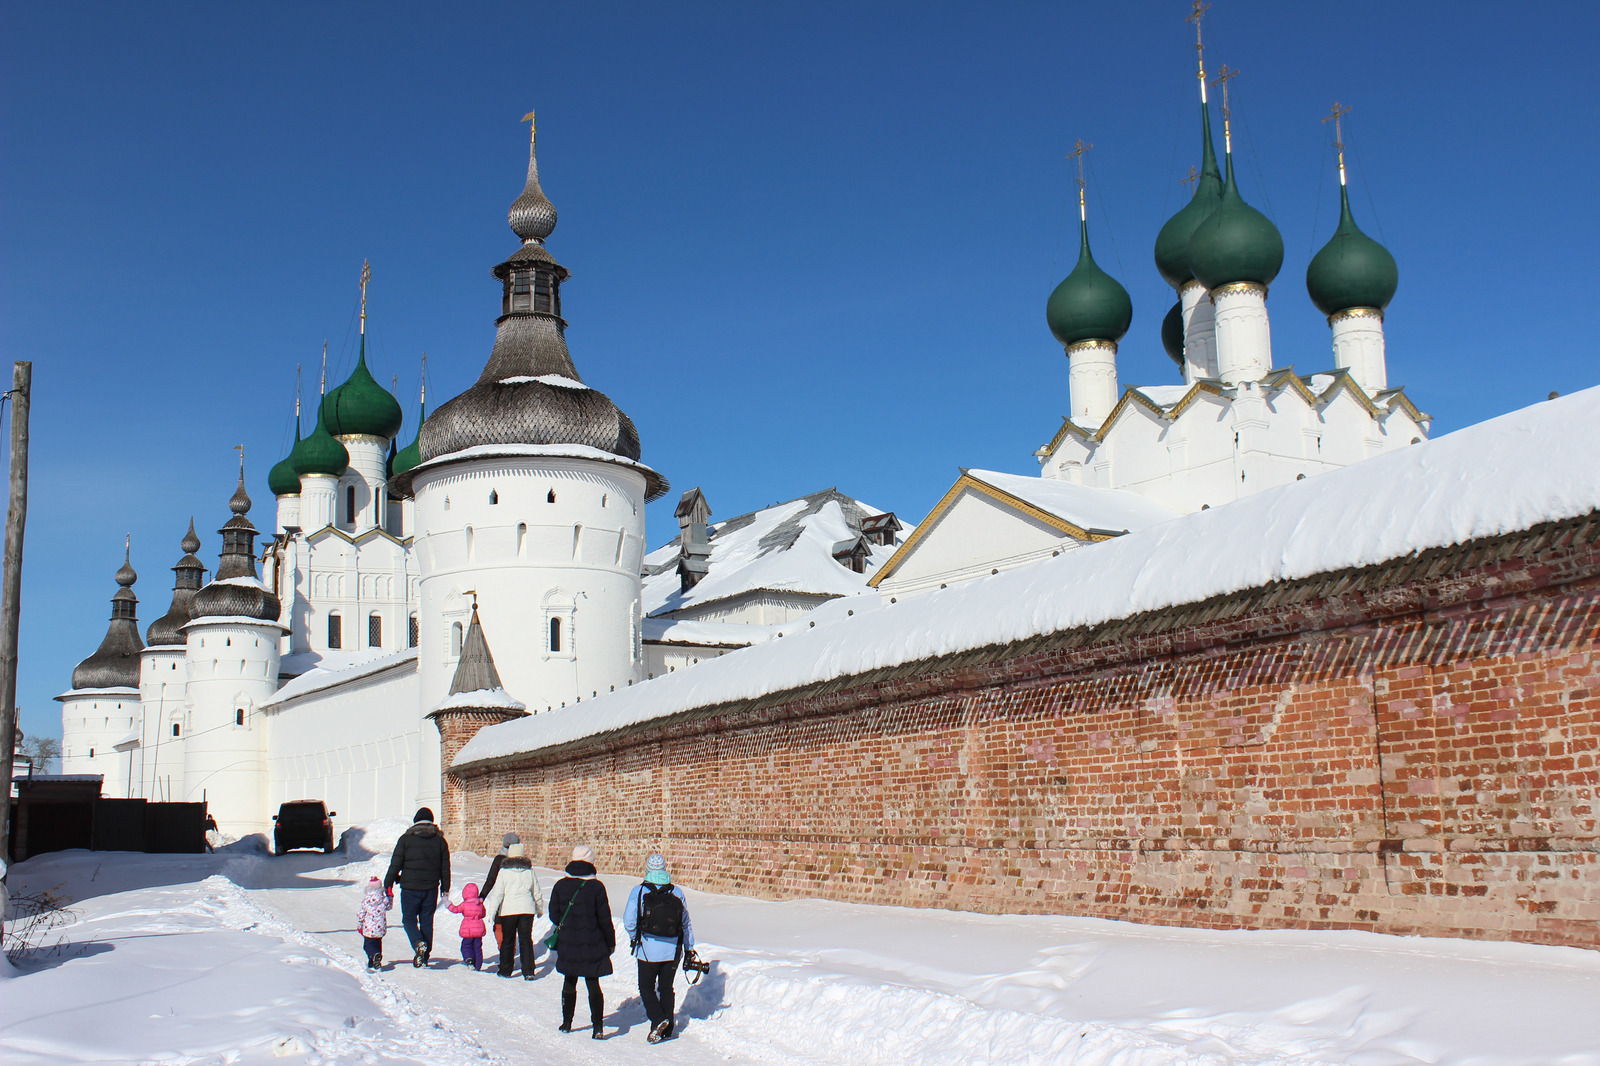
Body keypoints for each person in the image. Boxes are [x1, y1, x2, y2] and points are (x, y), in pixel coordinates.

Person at [623, 854, 694, 1043]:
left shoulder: (638, 891)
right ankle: (666, 1029)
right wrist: (689, 948)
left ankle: (659, 1019)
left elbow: (629, 920)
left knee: (646, 987)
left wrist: (635, 938)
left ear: (647, 869)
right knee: (666, 987)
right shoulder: (676, 892)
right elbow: (686, 923)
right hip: (672, 950)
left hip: (647, 948)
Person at [548, 844, 615, 1039]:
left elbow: (554, 914)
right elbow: (604, 917)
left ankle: (567, 1023)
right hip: (592, 940)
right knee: (593, 982)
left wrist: (566, 924)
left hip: (569, 940)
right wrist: (610, 941)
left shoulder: (561, 885)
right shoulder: (596, 886)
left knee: (569, 980)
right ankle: (598, 1027)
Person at [384, 807, 451, 968]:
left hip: (410, 888)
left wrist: (389, 882)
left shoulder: (406, 839)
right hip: (431, 888)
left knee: (408, 919)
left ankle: (418, 942)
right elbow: (445, 868)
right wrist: (445, 888)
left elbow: (396, 863)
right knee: (427, 920)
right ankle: (425, 956)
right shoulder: (440, 841)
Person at [482, 842, 545, 979]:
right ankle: (528, 971)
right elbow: (537, 892)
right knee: (526, 940)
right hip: (527, 910)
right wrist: (539, 908)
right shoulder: (530, 871)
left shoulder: (504, 872)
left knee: (508, 940)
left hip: (508, 910)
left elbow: (498, 894)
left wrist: (492, 912)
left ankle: (505, 970)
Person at [481, 831, 519, 955]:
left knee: (498, 925)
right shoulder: (521, 861)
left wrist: (482, 895)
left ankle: (503, 948)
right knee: (512, 926)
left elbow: (491, 879)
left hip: (501, 898)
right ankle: (511, 950)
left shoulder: (499, 860)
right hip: (515, 898)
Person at [448, 882, 488, 971]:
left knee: (466, 946)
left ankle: (469, 959)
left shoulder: (464, 905)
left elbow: (455, 909)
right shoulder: (480, 904)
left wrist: (448, 904)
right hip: (478, 931)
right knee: (477, 947)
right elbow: (483, 914)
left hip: (468, 930)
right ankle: (478, 966)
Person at [356, 876, 391, 971]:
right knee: (377, 944)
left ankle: (374, 955)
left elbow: (361, 913)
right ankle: (374, 963)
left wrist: (360, 925)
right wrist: (390, 896)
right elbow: (389, 907)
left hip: (369, 928)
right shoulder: (384, 899)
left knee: (368, 946)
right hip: (380, 928)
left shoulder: (366, 900)